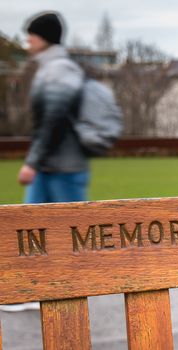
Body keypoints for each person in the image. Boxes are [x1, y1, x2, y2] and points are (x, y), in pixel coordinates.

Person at [2, 11, 86, 313]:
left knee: (67, 235)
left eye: (31, 36)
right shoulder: (51, 68)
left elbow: (54, 120)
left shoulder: (59, 69)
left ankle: (66, 292)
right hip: (54, 167)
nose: (27, 42)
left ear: (45, 37)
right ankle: (30, 291)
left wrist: (32, 162)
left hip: (64, 168)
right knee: (28, 229)